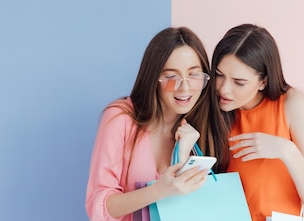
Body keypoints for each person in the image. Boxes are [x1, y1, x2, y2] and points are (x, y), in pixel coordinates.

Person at [85, 27, 229, 221]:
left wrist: (184, 156)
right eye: (171, 77)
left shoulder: (201, 129)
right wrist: (158, 191)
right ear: (154, 78)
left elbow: (191, 210)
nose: (185, 88)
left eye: (194, 75)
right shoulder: (122, 118)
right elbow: (99, 208)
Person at [210, 24, 304, 221]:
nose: (224, 89)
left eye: (239, 82)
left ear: (263, 81)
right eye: (219, 75)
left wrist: (287, 151)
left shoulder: (292, 104)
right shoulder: (214, 112)